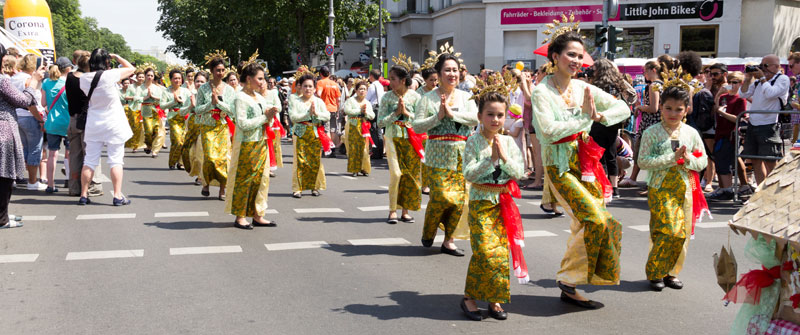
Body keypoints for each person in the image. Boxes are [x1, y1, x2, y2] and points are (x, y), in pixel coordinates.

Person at [530, 31, 630, 308]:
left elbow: (624, 107)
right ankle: (567, 278)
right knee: (594, 219)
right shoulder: (542, 91)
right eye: (570, 54)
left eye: (579, 55)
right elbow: (548, 132)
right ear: (554, 57)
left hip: (586, 163)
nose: (575, 60)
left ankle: (571, 283)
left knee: (597, 221)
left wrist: (600, 116)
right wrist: (585, 118)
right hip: (559, 166)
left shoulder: (585, 88)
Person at [460, 87, 527, 322]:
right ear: (480, 116)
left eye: (500, 115)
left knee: (500, 252)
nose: (495, 119)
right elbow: (469, 173)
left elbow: (519, 172)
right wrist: (492, 159)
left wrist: (505, 158)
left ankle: (494, 298)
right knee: (484, 251)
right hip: (480, 202)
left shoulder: (509, 142)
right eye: (490, 114)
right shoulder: (472, 142)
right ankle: (469, 296)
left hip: (503, 203)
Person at [638, 85, 709, 291]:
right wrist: (671, 158)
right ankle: (655, 272)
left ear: (686, 109)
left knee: (682, 233)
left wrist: (688, 160)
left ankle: (671, 272)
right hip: (660, 187)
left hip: (685, 188)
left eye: (678, 109)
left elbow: (702, 160)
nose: (673, 113)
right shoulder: (651, 132)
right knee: (668, 230)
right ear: (661, 107)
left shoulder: (691, 133)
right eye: (668, 108)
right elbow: (642, 161)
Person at [412, 52, 479, 257]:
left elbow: (475, 118)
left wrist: (453, 114)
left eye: (455, 70)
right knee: (441, 196)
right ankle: (429, 229)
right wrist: (438, 116)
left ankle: (448, 240)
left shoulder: (466, 96)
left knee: (459, 200)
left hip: (461, 153)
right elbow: (416, 126)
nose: (452, 74)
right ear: (439, 74)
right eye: (447, 70)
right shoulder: (427, 98)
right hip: (437, 153)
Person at [77, 49, 135, 206]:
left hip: (94, 123)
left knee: (89, 160)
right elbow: (131, 69)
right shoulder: (110, 75)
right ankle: (117, 195)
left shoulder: (83, 79)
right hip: (114, 123)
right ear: (107, 62)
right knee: (116, 160)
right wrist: (118, 56)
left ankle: (83, 194)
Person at [225, 59, 278, 230]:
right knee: (245, 180)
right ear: (249, 79)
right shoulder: (240, 97)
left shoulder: (260, 98)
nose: (263, 82)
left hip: (261, 142)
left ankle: (258, 214)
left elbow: (265, 121)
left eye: (263, 79)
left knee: (261, 180)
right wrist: (265, 117)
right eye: (260, 79)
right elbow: (242, 123)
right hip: (246, 144)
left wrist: (269, 117)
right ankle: (240, 216)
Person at [0, 44, 45, 228]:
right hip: (4, 130)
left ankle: (3, 215)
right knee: (4, 177)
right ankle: (2, 218)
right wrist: (33, 82)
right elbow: (23, 101)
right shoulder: (2, 81)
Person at [379, 59, 423, 225]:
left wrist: (407, 114)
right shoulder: (387, 98)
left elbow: (421, 120)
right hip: (392, 137)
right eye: (389, 79)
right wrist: (396, 114)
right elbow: (380, 122)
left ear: (403, 80)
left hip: (412, 139)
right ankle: (392, 210)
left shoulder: (415, 97)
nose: (390, 82)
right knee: (396, 174)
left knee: (409, 176)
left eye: (393, 79)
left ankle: (405, 211)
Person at [588, 59, 637, 198]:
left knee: (599, 154)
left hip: (598, 119)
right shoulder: (617, 84)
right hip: (614, 120)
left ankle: (603, 186)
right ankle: (614, 188)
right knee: (611, 154)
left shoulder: (596, 85)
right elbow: (632, 94)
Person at [739, 54, 790, 185]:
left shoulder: (783, 79)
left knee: (770, 159)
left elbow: (771, 93)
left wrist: (762, 77)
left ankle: (774, 189)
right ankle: (760, 189)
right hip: (753, 124)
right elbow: (742, 94)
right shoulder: (758, 82)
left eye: (766, 65)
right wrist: (748, 78)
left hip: (769, 124)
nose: (763, 68)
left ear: (777, 66)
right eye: (761, 65)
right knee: (755, 159)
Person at [619, 60, 665, 191]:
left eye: (645, 71)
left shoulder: (653, 86)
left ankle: (640, 180)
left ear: (653, 70)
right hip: (657, 123)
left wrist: (639, 107)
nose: (644, 74)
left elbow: (653, 108)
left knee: (644, 151)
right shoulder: (662, 84)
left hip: (651, 123)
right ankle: (638, 179)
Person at [196, 53, 236, 200]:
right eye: (217, 70)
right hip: (207, 126)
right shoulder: (203, 89)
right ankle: (205, 183)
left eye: (222, 70)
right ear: (212, 71)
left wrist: (218, 103)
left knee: (224, 159)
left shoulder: (229, 90)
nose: (220, 73)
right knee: (210, 158)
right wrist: (210, 104)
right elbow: (197, 109)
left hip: (223, 127)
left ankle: (222, 189)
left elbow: (232, 110)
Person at [65, 50, 103, 198]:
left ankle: (74, 187)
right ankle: (93, 186)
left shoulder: (70, 77)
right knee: (92, 155)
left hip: (73, 120)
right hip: (88, 120)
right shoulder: (89, 79)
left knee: (75, 155)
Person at [707, 71, 749, 201]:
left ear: (741, 84)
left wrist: (722, 113)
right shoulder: (724, 96)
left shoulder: (740, 98)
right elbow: (715, 109)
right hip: (720, 132)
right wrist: (719, 94)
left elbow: (738, 118)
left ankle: (728, 189)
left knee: (725, 160)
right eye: (730, 82)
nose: (732, 85)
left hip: (730, 134)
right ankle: (726, 187)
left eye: (735, 82)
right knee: (721, 158)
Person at [289, 70, 330, 198]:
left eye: (310, 86)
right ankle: (298, 188)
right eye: (305, 86)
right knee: (300, 161)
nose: (308, 88)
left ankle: (314, 186)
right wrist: (308, 114)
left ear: (314, 88)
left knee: (315, 161)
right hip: (301, 132)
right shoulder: (295, 100)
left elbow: (327, 115)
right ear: (300, 87)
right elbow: (293, 117)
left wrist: (316, 114)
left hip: (315, 133)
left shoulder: (318, 102)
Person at [12, 54, 47, 190]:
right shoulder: (28, 80)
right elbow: (30, 102)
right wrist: (39, 119)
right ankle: (32, 181)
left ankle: (17, 177)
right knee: (34, 149)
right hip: (29, 116)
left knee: (23, 149)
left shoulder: (14, 78)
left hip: (16, 116)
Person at [693, 63, 727, 193]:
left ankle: (710, 182)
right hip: (704, 124)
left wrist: (715, 95)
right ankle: (702, 181)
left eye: (714, 74)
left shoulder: (725, 87)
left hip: (718, 125)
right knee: (703, 154)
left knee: (713, 156)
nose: (711, 76)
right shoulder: (705, 87)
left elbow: (716, 108)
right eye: (708, 73)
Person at [42, 58, 73, 193]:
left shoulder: (46, 82)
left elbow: (43, 103)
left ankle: (50, 185)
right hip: (67, 122)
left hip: (52, 123)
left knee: (52, 154)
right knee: (69, 154)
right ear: (68, 69)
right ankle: (69, 181)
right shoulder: (69, 83)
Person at [160, 68, 192, 170]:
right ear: (170, 79)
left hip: (185, 118)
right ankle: (172, 161)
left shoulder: (186, 91)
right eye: (175, 78)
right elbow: (162, 106)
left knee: (184, 141)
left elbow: (191, 103)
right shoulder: (166, 91)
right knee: (178, 141)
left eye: (179, 78)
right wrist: (173, 101)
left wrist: (182, 103)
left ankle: (181, 162)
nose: (177, 80)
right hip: (173, 118)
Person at [343, 80, 374, 178]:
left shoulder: (367, 103)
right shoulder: (351, 100)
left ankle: (364, 168)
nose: (362, 91)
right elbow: (347, 110)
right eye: (360, 89)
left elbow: (372, 115)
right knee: (353, 148)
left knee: (365, 148)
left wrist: (365, 113)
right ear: (356, 90)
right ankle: (354, 169)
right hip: (352, 126)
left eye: (364, 89)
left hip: (364, 127)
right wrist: (359, 111)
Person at [182, 71, 208, 185]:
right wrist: (190, 106)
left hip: (205, 126)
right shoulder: (191, 96)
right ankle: (197, 173)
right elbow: (182, 112)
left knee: (200, 153)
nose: (199, 84)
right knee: (190, 153)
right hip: (192, 126)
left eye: (202, 81)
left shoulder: (210, 97)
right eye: (197, 81)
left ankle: (201, 177)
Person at [259, 76, 284, 178]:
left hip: (272, 122)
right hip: (259, 122)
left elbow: (279, 106)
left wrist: (271, 109)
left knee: (271, 145)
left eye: (263, 81)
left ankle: (269, 167)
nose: (261, 84)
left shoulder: (273, 93)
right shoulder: (254, 94)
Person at [316, 66, 341, 157]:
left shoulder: (320, 82)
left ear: (320, 74)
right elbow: (338, 99)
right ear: (329, 74)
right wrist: (338, 109)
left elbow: (319, 94)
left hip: (325, 109)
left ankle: (329, 148)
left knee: (326, 129)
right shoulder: (334, 84)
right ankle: (334, 150)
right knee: (333, 129)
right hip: (334, 108)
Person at [139, 66, 164, 158]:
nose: (150, 77)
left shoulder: (157, 88)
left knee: (156, 130)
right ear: (145, 76)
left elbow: (162, 99)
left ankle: (155, 150)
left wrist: (153, 97)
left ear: (154, 77)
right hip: (145, 111)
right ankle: (148, 145)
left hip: (155, 110)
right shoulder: (140, 88)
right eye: (148, 75)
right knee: (148, 130)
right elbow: (136, 98)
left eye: (151, 75)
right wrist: (145, 98)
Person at [366, 69, 385, 158]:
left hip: (374, 109)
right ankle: (380, 152)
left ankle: (375, 152)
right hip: (380, 108)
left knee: (373, 130)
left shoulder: (372, 86)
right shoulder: (380, 85)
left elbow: (367, 98)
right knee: (379, 131)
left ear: (372, 76)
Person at [125, 70, 145, 152]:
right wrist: (136, 98)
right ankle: (134, 145)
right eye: (139, 77)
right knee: (135, 127)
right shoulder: (131, 86)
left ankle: (145, 144)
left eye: (142, 77)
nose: (141, 78)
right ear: (136, 78)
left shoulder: (146, 87)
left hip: (145, 109)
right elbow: (126, 97)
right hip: (134, 108)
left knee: (144, 128)